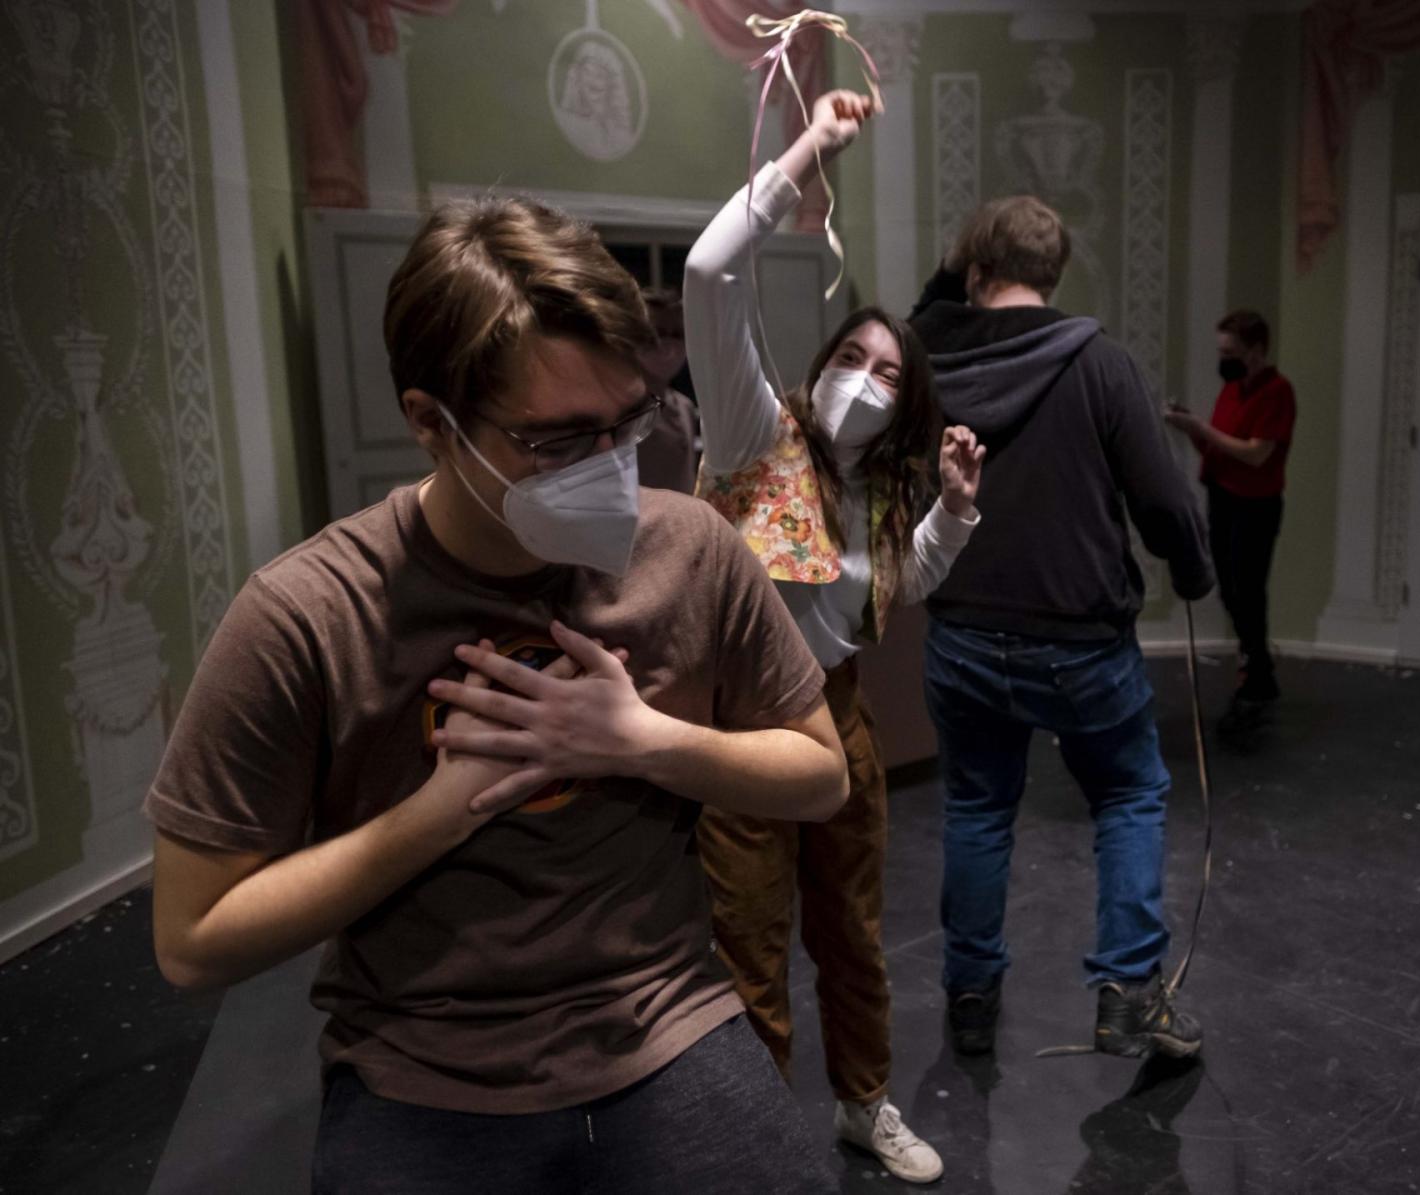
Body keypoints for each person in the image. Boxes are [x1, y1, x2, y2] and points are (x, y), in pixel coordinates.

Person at [143, 192, 852, 1194]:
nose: (609, 468)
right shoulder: (305, 615)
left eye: (626, 422)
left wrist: (638, 740)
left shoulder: (691, 551)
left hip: (666, 1022)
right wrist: (441, 809)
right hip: (425, 1064)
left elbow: (820, 774)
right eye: (557, 442)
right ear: (431, 424)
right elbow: (191, 939)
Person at [684, 90, 984, 1186]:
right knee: (750, 948)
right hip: (747, 732)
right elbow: (709, 277)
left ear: (909, 405)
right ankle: (761, 1142)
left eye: (890, 372)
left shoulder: (887, 490)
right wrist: (808, 151)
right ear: (819, 360)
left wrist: (951, 506)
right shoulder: (750, 430)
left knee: (852, 939)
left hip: (842, 722)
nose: (863, 377)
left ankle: (864, 1105)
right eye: (852, 355)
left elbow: (894, 590)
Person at [908, 195, 1214, 1061]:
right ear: (1053, 274)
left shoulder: (929, 360)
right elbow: (1161, 498)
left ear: (974, 270)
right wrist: (1193, 573)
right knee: (1128, 794)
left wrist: (954, 269)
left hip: (964, 629)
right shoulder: (1100, 362)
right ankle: (1127, 992)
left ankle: (970, 1000)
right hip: (1082, 640)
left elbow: (918, 314)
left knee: (976, 809)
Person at [1165, 309, 1295, 724]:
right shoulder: (1233, 390)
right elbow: (1222, 448)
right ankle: (1255, 662)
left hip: (1255, 503)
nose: (1224, 358)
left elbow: (1257, 454)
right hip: (1223, 497)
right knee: (1229, 588)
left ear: (1257, 350)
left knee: (1248, 588)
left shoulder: (1277, 392)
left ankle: (1257, 670)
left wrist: (1200, 428)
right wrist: (1192, 429)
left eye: (1232, 351)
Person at [635, 286, 701, 493]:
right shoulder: (620, 409)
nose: (668, 343)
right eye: (658, 333)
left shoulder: (685, 407)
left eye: (677, 334)